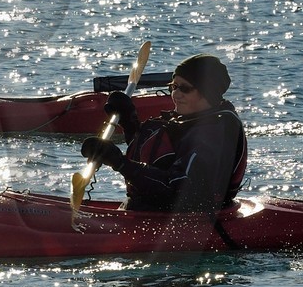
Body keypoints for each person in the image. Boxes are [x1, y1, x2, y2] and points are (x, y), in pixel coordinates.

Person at [82, 54, 247, 213]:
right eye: (173, 87)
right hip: (149, 208)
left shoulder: (214, 133)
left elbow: (177, 189)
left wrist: (120, 163)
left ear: (207, 91)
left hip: (191, 218)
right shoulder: (188, 120)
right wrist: (128, 121)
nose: (175, 94)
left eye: (185, 89)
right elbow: (160, 156)